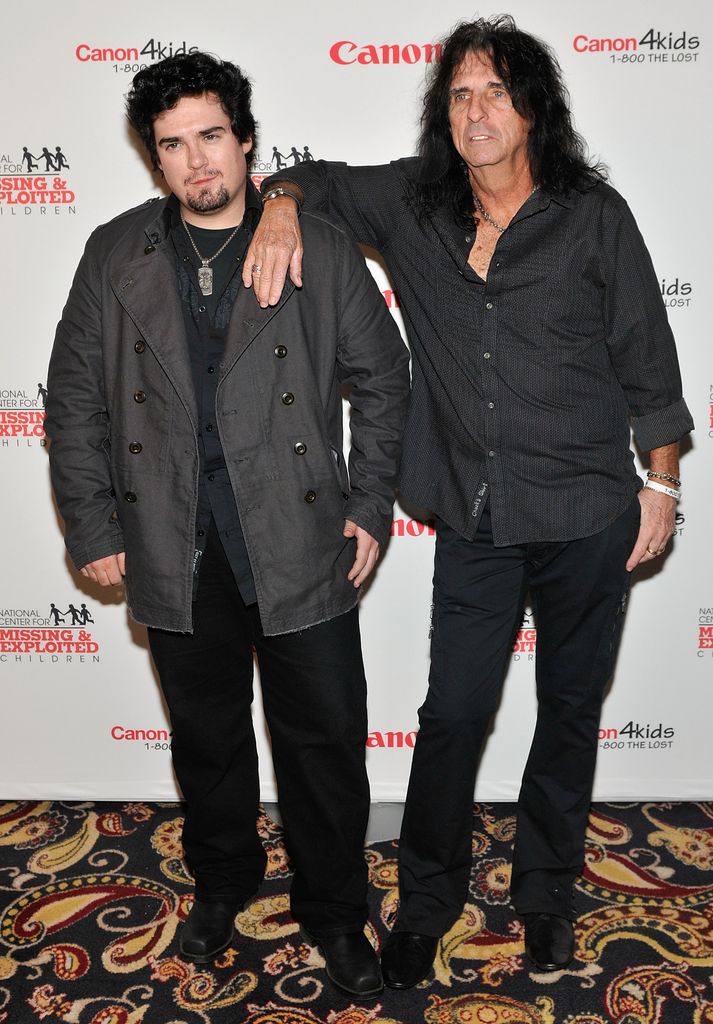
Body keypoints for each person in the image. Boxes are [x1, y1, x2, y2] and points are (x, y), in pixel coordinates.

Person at [244, 15, 694, 986]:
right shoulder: (413, 203)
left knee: (568, 711)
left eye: (494, 90)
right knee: (451, 715)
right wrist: (277, 202)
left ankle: (543, 896)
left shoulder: (592, 216)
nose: (476, 108)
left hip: (588, 516)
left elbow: (649, 368)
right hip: (477, 522)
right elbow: (311, 178)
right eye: (458, 93)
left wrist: (659, 482)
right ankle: (427, 903)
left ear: (531, 108)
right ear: (440, 113)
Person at [45, 51, 409, 999]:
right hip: (172, 539)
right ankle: (222, 883)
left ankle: (333, 913)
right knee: (206, 739)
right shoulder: (112, 252)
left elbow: (382, 381)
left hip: (297, 539)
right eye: (173, 145)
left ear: (245, 141)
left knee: (324, 740)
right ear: (154, 159)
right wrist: (91, 525)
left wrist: (368, 505)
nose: (197, 161)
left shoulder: (318, 248)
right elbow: (76, 400)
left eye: (212, 136)